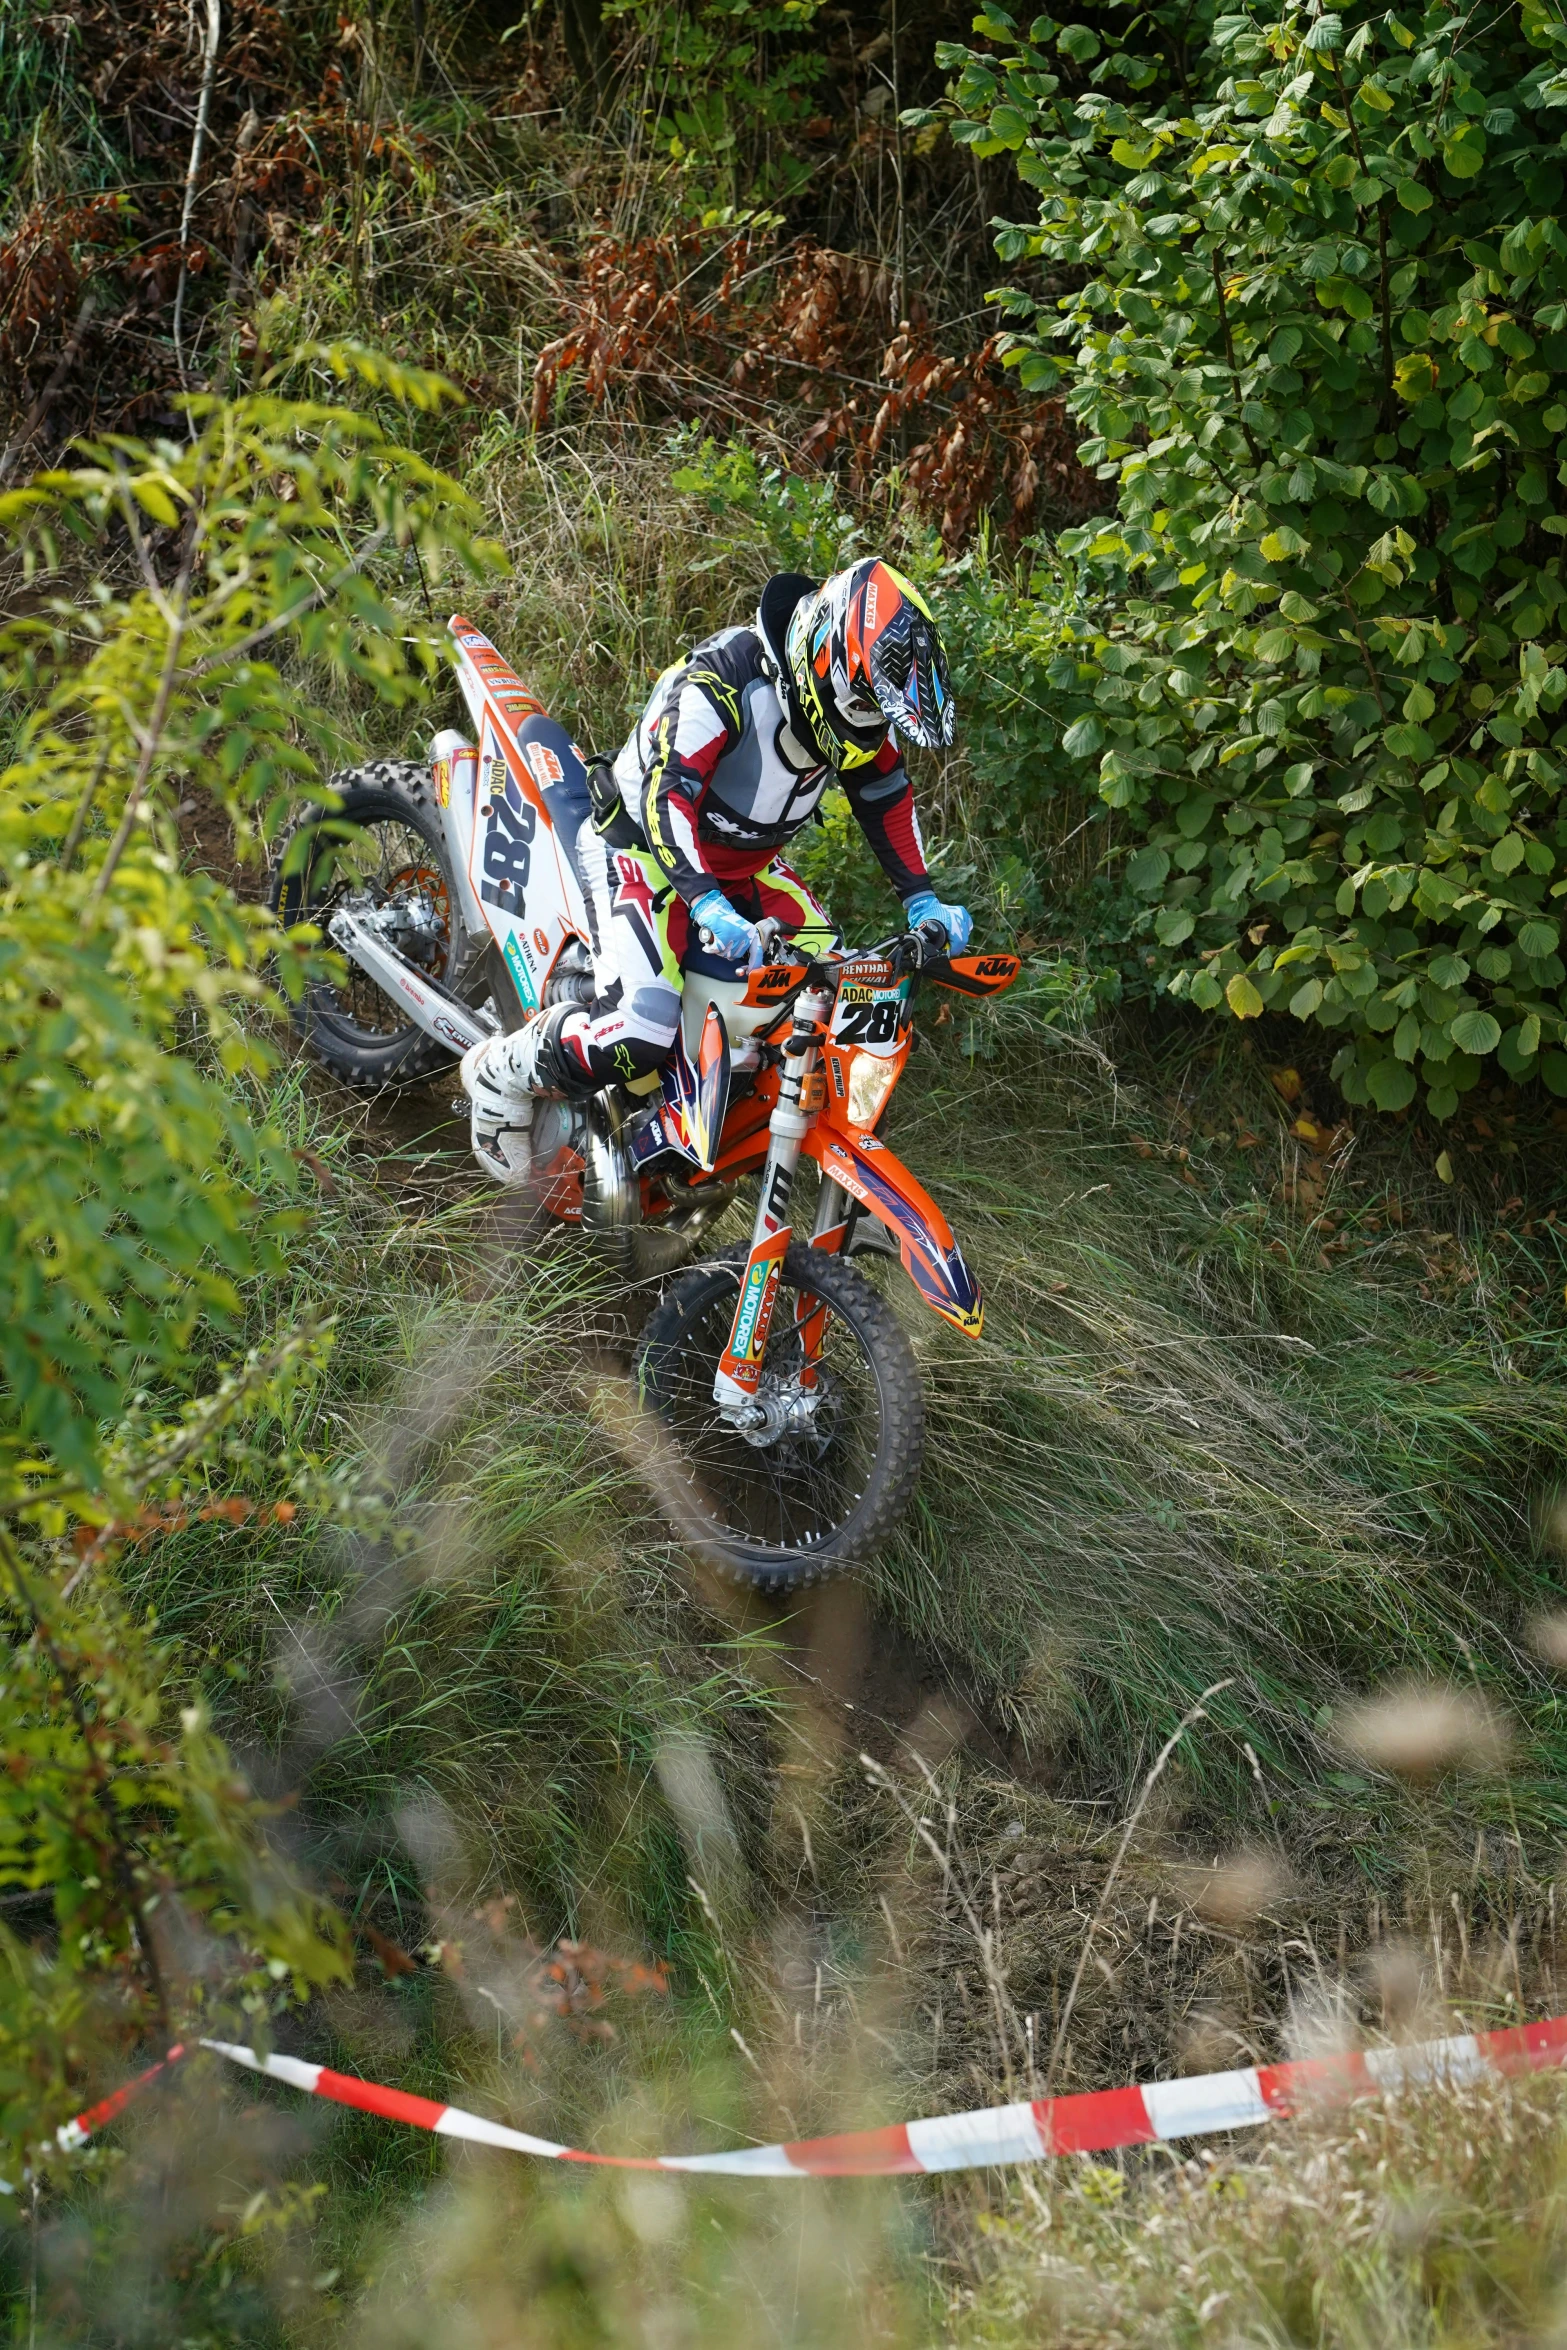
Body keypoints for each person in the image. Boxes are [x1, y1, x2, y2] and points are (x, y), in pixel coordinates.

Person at [460, 558, 972, 1183]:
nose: (870, 730)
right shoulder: (723, 680)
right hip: (641, 851)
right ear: (829, 663)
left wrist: (923, 900)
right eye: (865, 707)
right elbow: (665, 796)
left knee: (838, 988)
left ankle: (719, 1132)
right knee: (643, 1026)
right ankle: (498, 1070)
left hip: (746, 868)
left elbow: (885, 796)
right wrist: (704, 904)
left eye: (879, 715)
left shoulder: (849, 713)